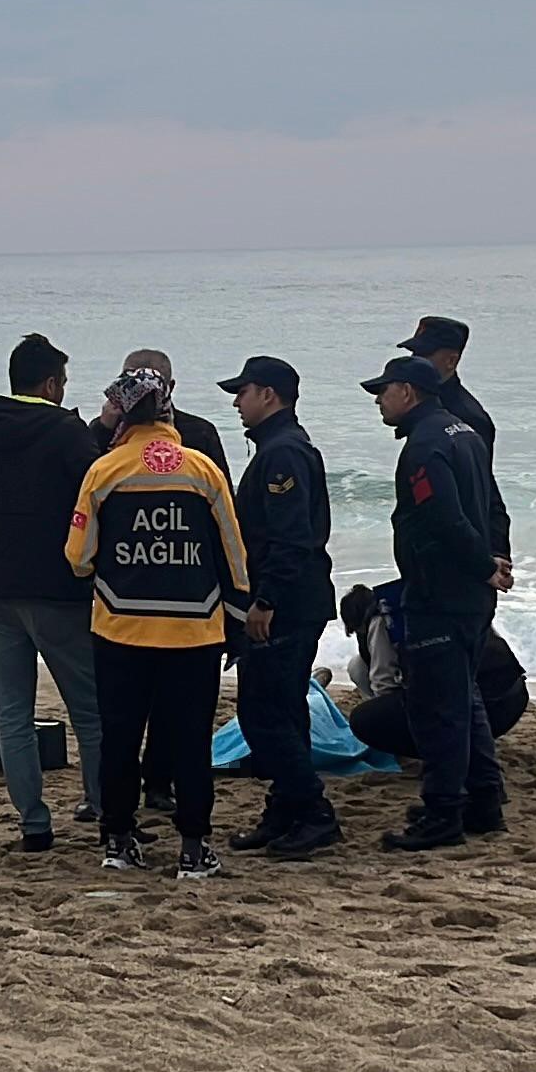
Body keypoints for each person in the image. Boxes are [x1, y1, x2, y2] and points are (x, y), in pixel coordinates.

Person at [65, 366, 250, 879]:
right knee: (190, 741)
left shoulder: (104, 472)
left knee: (120, 738)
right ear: (168, 407)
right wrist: (234, 615)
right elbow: (235, 556)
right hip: (194, 632)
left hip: (120, 630)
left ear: (121, 413)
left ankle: (120, 842)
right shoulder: (203, 470)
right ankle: (194, 848)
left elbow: (78, 557)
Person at [0, 332, 106, 852]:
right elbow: (96, 498)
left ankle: (34, 824)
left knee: (11, 712)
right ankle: (104, 807)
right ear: (52, 383)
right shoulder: (66, 431)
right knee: (89, 708)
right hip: (58, 587)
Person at [360, 356, 507, 850]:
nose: (378, 400)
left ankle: (443, 812)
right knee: (465, 698)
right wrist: (496, 558)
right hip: (470, 595)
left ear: (408, 391)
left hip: (440, 593)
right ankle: (484, 801)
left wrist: (483, 565)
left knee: (435, 708)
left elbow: (443, 519)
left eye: (383, 391)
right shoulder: (465, 432)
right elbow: (492, 505)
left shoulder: (424, 445)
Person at [218, 356, 337, 857]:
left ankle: (312, 811)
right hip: (293, 600)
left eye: (242, 393)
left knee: (262, 715)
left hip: (284, 604)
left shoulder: (283, 454)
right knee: (284, 711)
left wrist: (264, 601)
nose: (236, 403)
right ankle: (287, 808)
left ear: (269, 395)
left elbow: (291, 539)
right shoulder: (279, 447)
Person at [342, 582, 529, 760]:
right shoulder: (448, 598)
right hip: (513, 698)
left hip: (469, 711)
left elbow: (384, 685)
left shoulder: (381, 618)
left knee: (363, 719)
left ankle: (441, 750)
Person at [400, 315, 515, 597]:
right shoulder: (422, 407)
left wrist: (494, 554)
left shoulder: (465, 416)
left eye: (424, 355)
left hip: (457, 568)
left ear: (451, 361)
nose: (415, 360)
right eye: (414, 352)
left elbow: (484, 491)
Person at [88, 349, 232, 477]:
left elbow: (87, 481)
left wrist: (102, 428)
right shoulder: (201, 430)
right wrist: (103, 428)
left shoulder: (200, 432)